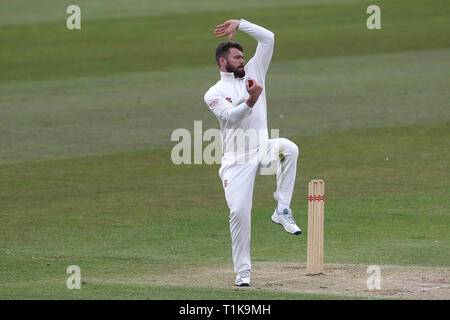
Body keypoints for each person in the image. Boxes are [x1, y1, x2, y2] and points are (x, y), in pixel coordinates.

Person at [203, 19, 301, 287]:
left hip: (263, 147)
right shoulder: (214, 93)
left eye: (242, 56)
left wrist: (241, 23)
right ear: (223, 62)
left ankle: (282, 208)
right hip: (236, 163)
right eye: (236, 57)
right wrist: (252, 100)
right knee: (239, 213)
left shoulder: (255, 70)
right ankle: (243, 272)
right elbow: (232, 117)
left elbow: (268, 38)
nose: (242, 60)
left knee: (290, 149)